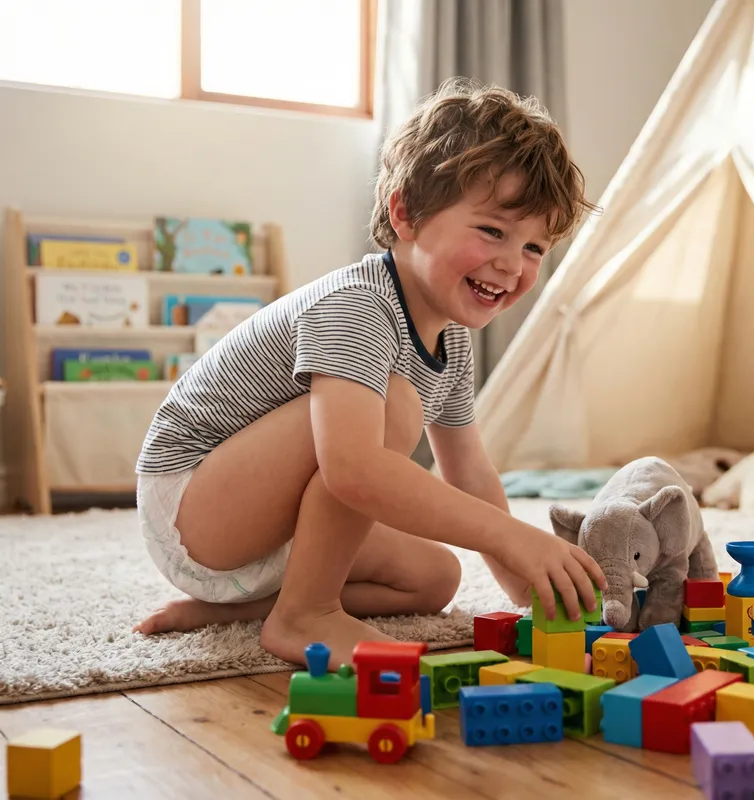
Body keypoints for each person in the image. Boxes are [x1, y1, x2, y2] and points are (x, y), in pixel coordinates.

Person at [133, 77, 607, 670]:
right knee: (394, 406)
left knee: (436, 577)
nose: (513, 264)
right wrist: (510, 537)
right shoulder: (357, 306)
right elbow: (353, 470)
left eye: (536, 248)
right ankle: (305, 613)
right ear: (405, 214)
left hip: (263, 533)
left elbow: (471, 477)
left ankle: (250, 609)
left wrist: (532, 591)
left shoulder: (451, 339)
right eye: (493, 231)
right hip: (193, 513)